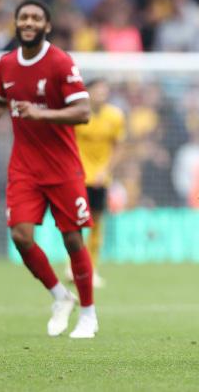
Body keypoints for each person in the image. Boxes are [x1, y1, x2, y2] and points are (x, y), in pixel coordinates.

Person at [0, 0, 98, 339]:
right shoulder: (6, 64)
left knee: (72, 239)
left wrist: (43, 114)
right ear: (16, 23)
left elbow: (83, 111)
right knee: (20, 236)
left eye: (36, 18)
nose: (29, 22)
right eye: (23, 17)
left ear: (46, 26)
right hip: (24, 168)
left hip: (62, 168)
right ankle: (59, 296)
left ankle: (88, 314)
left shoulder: (60, 62)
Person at [69, 78, 125, 288]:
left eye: (105, 90)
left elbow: (119, 147)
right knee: (75, 224)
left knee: (96, 224)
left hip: (101, 179)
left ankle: (90, 270)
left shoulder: (115, 116)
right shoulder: (76, 114)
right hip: (77, 177)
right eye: (98, 90)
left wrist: (107, 170)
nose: (102, 93)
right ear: (88, 92)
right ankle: (72, 266)